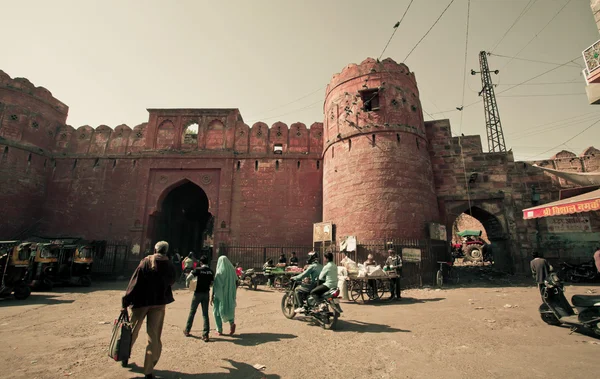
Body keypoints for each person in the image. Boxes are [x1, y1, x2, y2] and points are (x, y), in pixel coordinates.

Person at [122, 241, 176, 379]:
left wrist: (126, 301)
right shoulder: (169, 264)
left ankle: (124, 354)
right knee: (154, 337)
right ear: (166, 251)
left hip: (141, 302)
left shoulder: (145, 262)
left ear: (155, 249)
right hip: (158, 303)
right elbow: (172, 281)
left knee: (132, 331)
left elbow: (134, 282)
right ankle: (148, 370)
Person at [184, 255, 213, 341]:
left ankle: (187, 330)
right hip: (206, 293)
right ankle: (205, 334)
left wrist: (188, 284)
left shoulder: (198, 270)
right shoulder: (211, 271)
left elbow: (189, 278)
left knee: (192, 312)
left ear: (200, 262)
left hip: (197, 293)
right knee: (205, 314)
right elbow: (211, 283)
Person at [212, 255, 238, 336]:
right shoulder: (232, 271)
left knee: (217, 312)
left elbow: (215, 286)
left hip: (220, 296)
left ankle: (219, 330)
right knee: (229, 309)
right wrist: (232, 291)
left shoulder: (219, 272)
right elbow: (237, 282)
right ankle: (232, 323)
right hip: (230, 295)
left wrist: (212, 296)